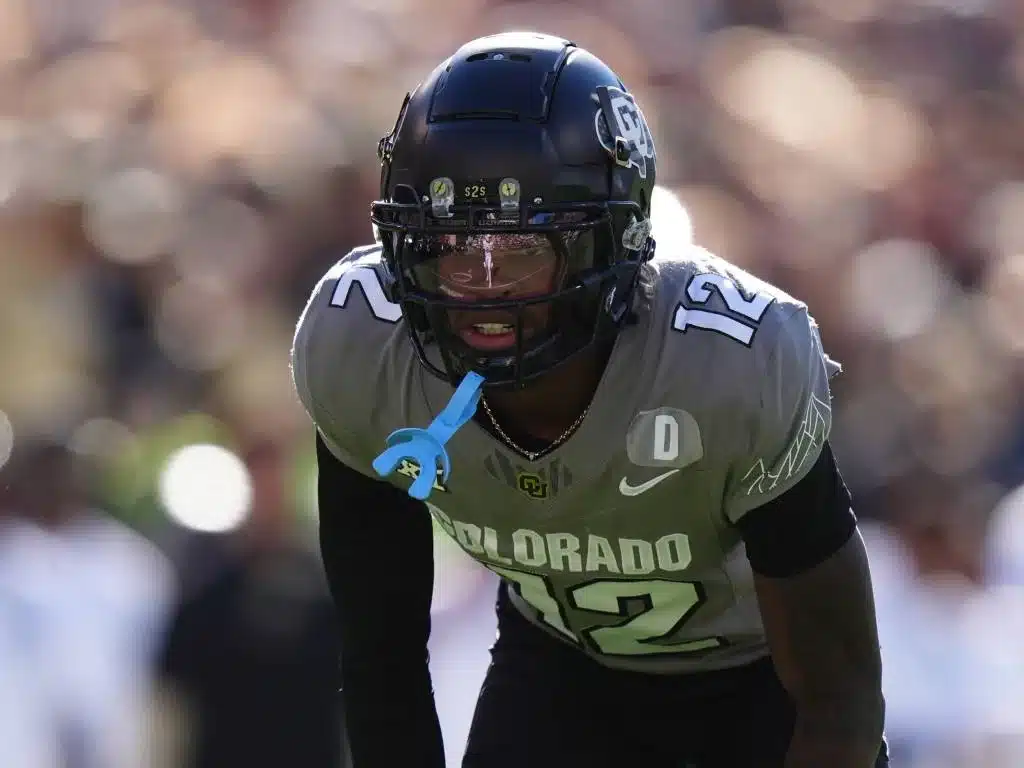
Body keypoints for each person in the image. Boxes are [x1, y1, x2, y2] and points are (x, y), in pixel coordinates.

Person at [291, 31, 888, 768]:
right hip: (562, 676)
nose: (483, 284)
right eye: (450, 245)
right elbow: (382, 663)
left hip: (760, 697)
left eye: (521, 250)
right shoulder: (360, 347)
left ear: (612, 242)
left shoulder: (727, 366)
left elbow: (840, 701)